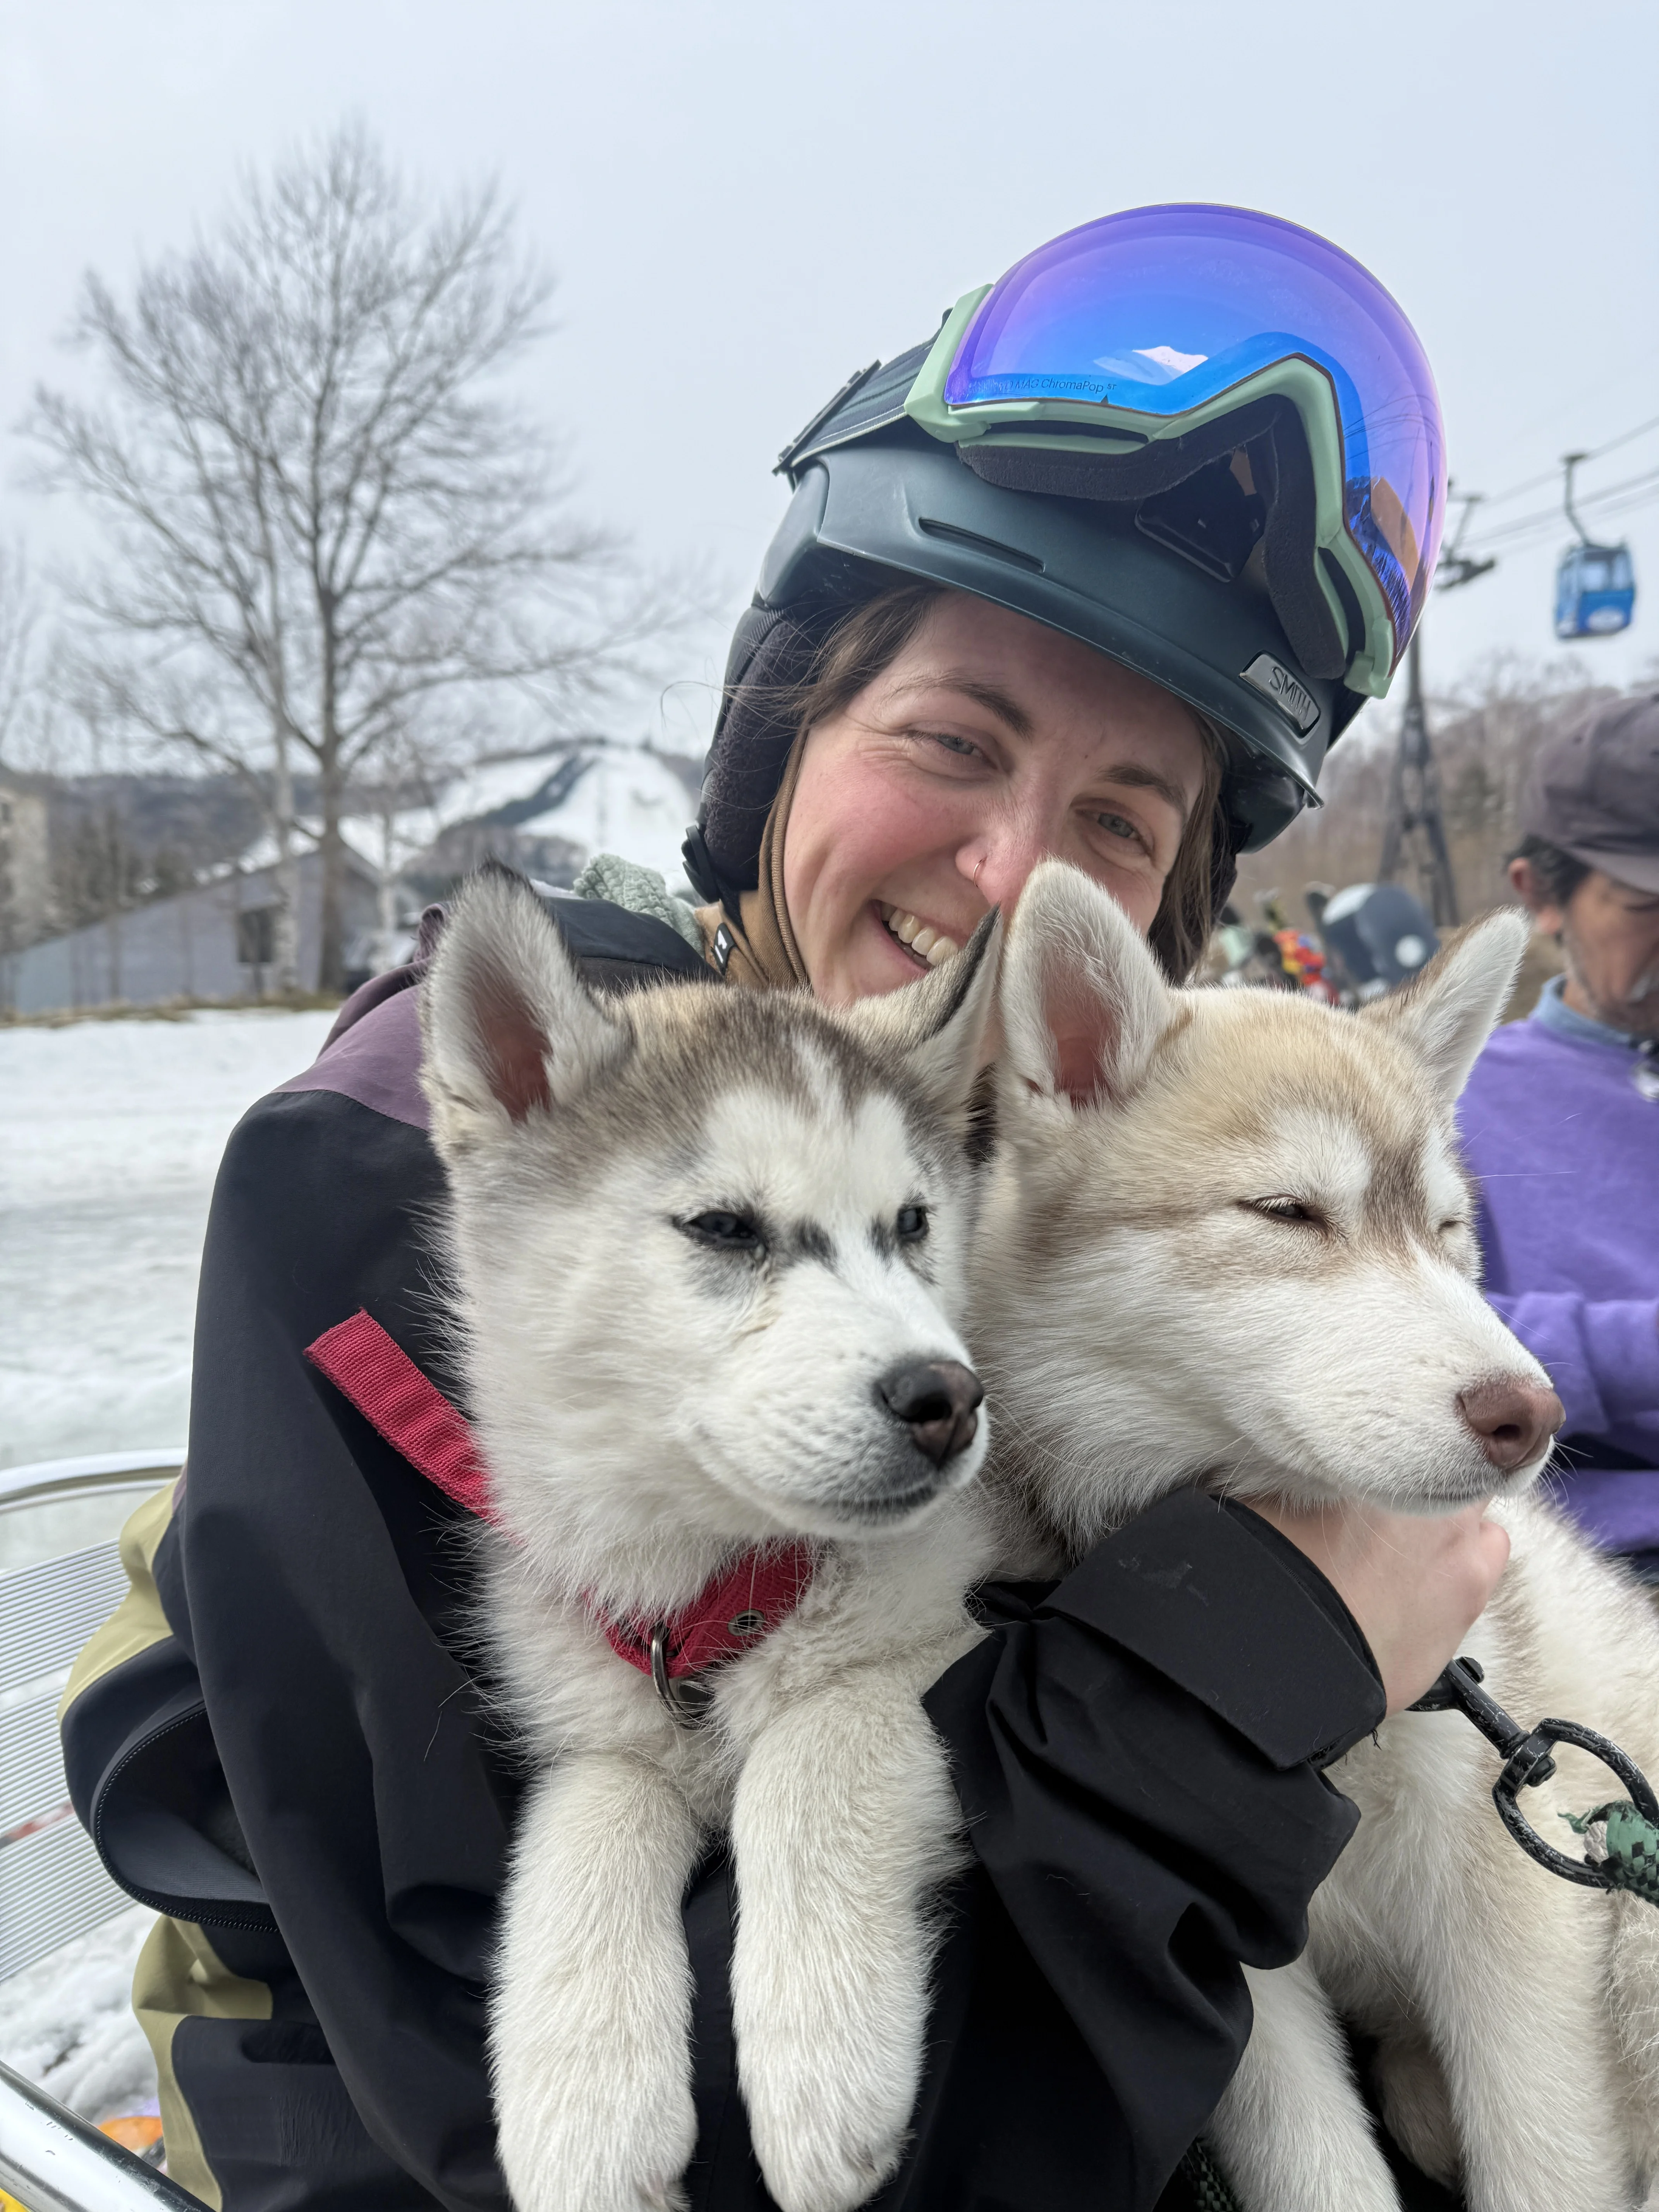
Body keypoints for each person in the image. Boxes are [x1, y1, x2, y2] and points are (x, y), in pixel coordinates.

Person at [60, 204, 1505, 2212]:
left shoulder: (1058, 1218)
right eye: (947, 743)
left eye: (1112, 817)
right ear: (778, 741)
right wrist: (1244, 1658)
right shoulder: (422, 1193)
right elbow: (573, 2152)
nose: (1008, 873)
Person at [1458, 694, 1659, 1571]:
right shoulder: (1457, 1100)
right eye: (1648, 903)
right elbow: (1400, 1323)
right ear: (1540, 895)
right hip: (1608, 1567)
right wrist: (1632, 1352)